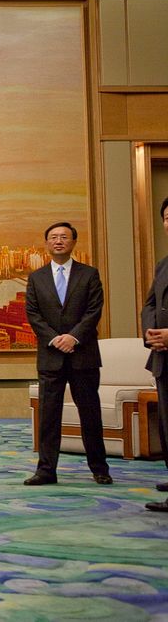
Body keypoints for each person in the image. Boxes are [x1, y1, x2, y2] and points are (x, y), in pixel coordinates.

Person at [24, 221, 112, 486]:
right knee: (49, 415)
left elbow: (94, 311)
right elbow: (33, 314)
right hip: (51, 357)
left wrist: (73, 337)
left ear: (73, 242)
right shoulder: (36, 278)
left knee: (90, 414)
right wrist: (54, 339)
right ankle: (46, 470)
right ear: (47, 244)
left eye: (64, 237)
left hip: (82, 354)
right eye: (53, 237)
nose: (58, 241)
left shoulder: (89, 274)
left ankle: (100, 468)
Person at [141, 196, 168, 512]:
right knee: (166, 425)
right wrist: (152, 335)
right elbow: (149, 304)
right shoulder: (163, 264)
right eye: (165, 216)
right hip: (162, 358)